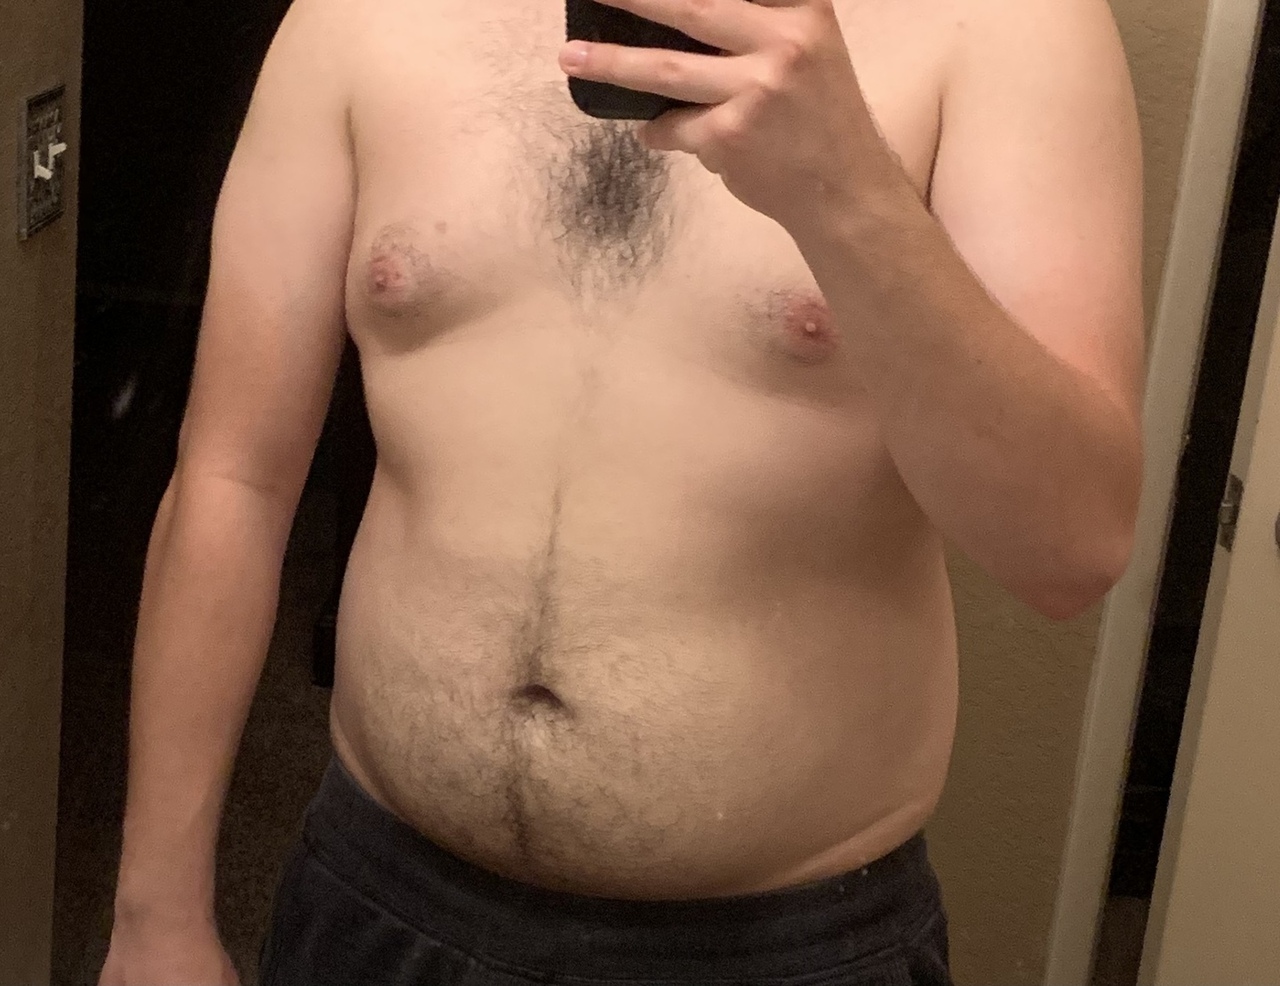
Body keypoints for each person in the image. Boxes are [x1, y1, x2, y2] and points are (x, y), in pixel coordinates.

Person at [98, 0, 1146, 982]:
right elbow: (233, 478)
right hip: (380, 900)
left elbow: (1070, 549)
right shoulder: (360, 15)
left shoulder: (1008, 25)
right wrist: (156, 914)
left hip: (786, 947)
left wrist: (848, 194)